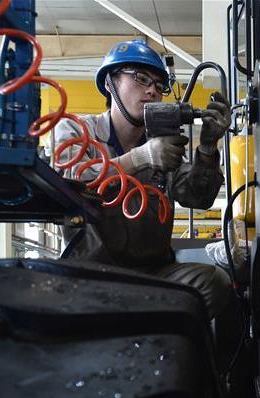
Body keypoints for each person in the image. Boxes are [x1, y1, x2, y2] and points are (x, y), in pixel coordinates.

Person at [48, 39, 232, 317]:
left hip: (154, 276)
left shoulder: (163, 147)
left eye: (159, 86)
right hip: (90, 276)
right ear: (109, 83)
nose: (152, 90)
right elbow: (74, 179)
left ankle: (156, 335)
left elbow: (199, 197)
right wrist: (140, 158)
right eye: (141, 78)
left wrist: (207, 147)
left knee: (213, 282)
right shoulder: (75, 130)